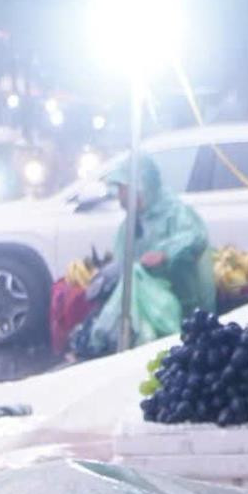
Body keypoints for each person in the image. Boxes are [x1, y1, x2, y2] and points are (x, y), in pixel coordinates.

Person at [80, 151, 208, 357]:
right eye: (120, 189)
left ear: (144, 187)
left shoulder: (175, 212)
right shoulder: (129, 225)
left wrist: (165, 253)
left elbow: (195, 237)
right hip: (148, 301)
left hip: (182, 301)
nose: (121, 196)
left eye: (125, 188)